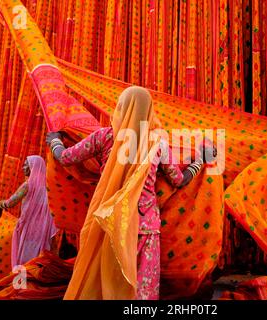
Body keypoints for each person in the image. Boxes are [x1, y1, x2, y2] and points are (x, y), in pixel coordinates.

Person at [46, 86, 216, 300]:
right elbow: (179, 180)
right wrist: (200, 158)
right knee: (143, 290)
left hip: (110, 222)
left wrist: (54, 141)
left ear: (120, 109)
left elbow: (66, 158)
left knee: (107, 283)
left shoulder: (104, 137)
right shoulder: (158, 144)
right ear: (149, 112)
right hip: (145, 226)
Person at [0, 155, 58, 269]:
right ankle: (38, 281)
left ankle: (23, 282)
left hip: (30, 227)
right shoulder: (49, 186)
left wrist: (1, 204)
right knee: (40, 257)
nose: (23, 167)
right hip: (44, 228)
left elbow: (10, 203)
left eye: (26, 164)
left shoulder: (28, 185)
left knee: (27, 256)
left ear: (33, 166)